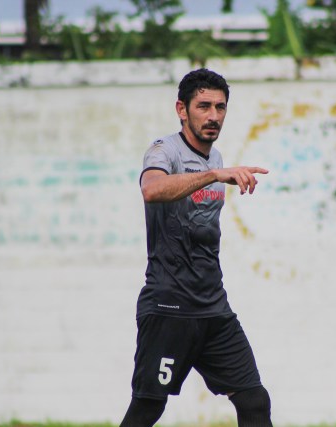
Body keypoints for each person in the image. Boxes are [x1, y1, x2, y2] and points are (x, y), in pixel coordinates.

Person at [120, 68, 273, 427]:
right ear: (181, 109)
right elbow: (152, 190)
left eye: (220, 107)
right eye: (203, 106)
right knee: (147, 408)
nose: (213, 116)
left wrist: (215, 171)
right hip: (169, 306)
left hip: (212, 309)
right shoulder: (165, 150)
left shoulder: (215, 157)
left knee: (254, 400)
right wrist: (214, 176)